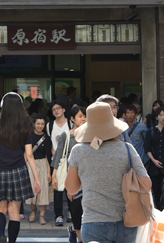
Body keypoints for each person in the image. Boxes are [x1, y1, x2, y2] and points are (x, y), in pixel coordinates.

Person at [65, 101, 151, 243]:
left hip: (93, 222)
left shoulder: (78, 151)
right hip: (126, 221)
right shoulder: (127, 149)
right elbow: (146, 184)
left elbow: (72, 188)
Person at [0, 92, 41, 243]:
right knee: (14, 211)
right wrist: (36, 179)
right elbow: (29, 155)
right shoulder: (26, 125)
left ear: (2, 107)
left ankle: (1, 236)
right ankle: (11, 241)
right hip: (19, 171)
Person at [51, 106, 86, 243]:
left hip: (87, 178)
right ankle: (81, 238)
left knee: (85, 210)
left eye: (84, 116)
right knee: (75, 209)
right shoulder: (67, 135)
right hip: (71, 178)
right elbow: (58, 156)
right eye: (79, 116)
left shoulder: (91, 135)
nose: (83, 119)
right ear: (72, 118)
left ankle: (73, 229)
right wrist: (54, 175)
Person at [47, 93, 73, 226]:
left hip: (70, 161)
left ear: (64, 109)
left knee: (70, 188)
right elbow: (50, 144)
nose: (56, 111)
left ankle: (70, 212)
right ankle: (58, 215)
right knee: (57, 189)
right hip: (56, 161)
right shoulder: (50, 125)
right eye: (53, 109)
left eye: (58, 108)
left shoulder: (70, 123)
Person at [144, 105, 164, 212]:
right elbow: (147, 148)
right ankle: (157, 210)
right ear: (156, 117)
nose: (163, 117)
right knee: (156, 189)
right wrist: (154, 160)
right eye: (160, 115)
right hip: (154, 165)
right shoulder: (150, 132)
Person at [26, 113, 52, 225]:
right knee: (32, 190)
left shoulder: (46, 139)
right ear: (34, 124)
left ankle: (42, 216)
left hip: (43, 164)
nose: (40, 126)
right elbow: (25, 153)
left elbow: (48, 156)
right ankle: (33, 211)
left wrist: (49, 172)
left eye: (42, 124)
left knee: (43, 191)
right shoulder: (28, 136)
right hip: (30, 165)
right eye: (38, 124)